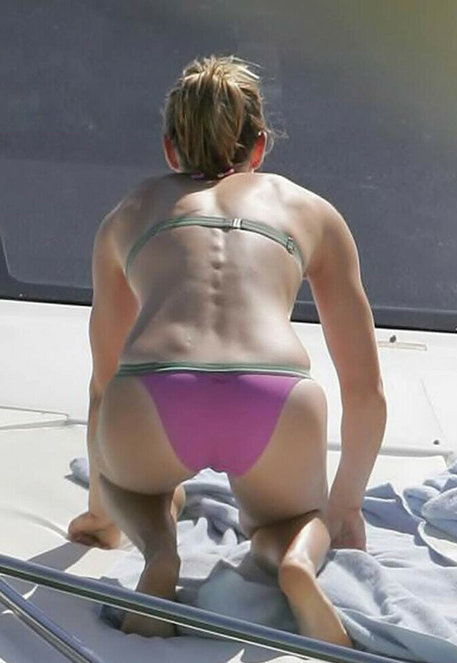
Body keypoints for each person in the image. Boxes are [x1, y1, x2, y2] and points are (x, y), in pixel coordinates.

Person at [67, 54, 387, 647]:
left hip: (155, 392)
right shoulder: (311, 211)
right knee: (291, 519)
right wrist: (342, 511)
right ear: (259, 147)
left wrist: (103, 508)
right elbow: (365, 391)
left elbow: (103, 383)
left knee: (135, 486)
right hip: (274, 397)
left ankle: (157, 551)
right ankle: (295, 560)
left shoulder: (127, 214)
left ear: (170, 150)